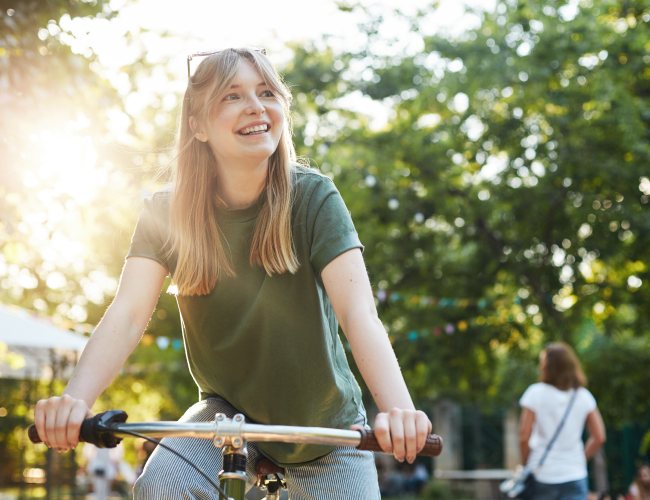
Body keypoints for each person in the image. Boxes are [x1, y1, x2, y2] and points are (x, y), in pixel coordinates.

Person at [32, 47, 432, 499]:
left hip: (321, 420)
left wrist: (398, 409)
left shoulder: (314, 199)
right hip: (226, 416)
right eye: (232, 96)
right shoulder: (165, 213)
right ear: (197, 125)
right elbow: (126, 315)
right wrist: (74, 403)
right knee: (162, 487)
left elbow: (358, 314)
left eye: (266, 92)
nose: (256, 106)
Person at [519, 342, 606, 500]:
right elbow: (599, 437)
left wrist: (527, 464)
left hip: (542, 474)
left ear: (546, 366)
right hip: (575, 474)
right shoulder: (583, 396)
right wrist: (580, 458)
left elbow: (524, 436)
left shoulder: (535, 393)